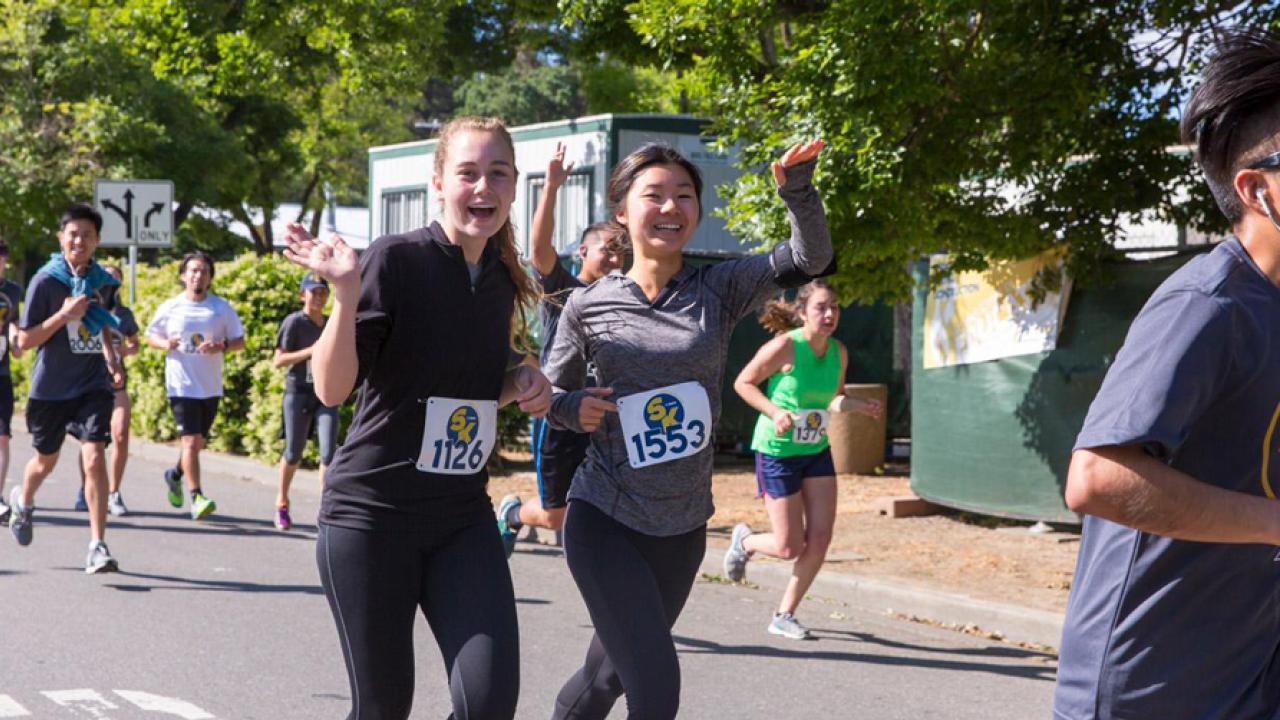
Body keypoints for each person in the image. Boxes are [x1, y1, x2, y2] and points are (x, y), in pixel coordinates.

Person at [543, 139, 833, 718]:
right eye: (655, 195)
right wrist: (573, 407)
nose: (671, 206)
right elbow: (550, 392)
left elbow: (810, 260)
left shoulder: (718, 289)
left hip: (681, 528)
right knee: (656, 689)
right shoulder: (588, 305)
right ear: (622, 210)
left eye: (684, 195)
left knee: (605, 680)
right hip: (604, 518)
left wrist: (797, 192)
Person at [283, 115, 552, 720]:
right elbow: (331, 389)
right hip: (372, 518)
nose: (483, 188)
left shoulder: (502, 279)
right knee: (383, 708)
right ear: (438, 183)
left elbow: (465, 387)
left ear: (514, 187)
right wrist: (347, 294)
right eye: (467, 174)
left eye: (497, 175)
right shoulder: (395, 260)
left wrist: (519, 380)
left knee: (486, 702)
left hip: (460, 516)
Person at [1054, 29, 1280, 719]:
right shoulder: (1207, 305)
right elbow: (1096, 478)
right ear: (1258, 190)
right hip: (1149, 693)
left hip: (1247, 680)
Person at [723, 280, 882, 640]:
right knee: (788, 546)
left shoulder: (838, 351)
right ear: (803, 313)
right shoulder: (785, 347)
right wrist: (775, 410)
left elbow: (833, 399)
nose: (830, 315)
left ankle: (784, 614)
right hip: (777, 452)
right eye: (821, 308)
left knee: (821, 538)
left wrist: (858, 406)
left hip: (815, 452)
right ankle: (745, 542)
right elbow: (743, 383)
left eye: (835, 308)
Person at [497, 142, 626, 555]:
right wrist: (552, 187)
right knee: (556, 516)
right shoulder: (563, 287)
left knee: (604, 506)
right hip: (559, 413)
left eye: (621, 252)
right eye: (608, 249)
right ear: (583, 251)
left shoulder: (626, 297)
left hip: (604, 416)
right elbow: (539, 250)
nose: (615, 259)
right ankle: (514, 513)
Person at [8, 203, 123, 574]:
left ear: (97, 241)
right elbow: (24, 342)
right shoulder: (46, 280)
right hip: (52, 387)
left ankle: (97, 545)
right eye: (73, 233)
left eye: (87, 235)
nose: (80, 240)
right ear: (61, 238)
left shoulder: (103, 281)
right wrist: (63, 315)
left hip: (92, 383)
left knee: (94, 457)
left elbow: (103, 323)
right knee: (45, 461)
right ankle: (23, 500)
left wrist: (111, 357)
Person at [144, 251, 245, 520]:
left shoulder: (221, 308)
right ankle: (197, 497)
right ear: (183, 275)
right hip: (181, 384)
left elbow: (240, 341)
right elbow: (150, 335)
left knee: (197, 443)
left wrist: (220, 346)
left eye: (203, 271)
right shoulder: (171, 306)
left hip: (210, 385)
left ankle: (174, 474)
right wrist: (165, 344)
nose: (197, 275)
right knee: (189, 441)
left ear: (210, 277)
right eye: (193, 270)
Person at [271, 271, 338, 530]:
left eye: (323, 292)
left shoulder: (332, 323)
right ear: (303, 295)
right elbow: (279, 360)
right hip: (298, 392)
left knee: (329, 454)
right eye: (314, 292)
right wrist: (312, 351)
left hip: (326, 393)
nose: (319, 297)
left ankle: (327, 511)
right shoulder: (294, 323)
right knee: (294, 452)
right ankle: (282, 502)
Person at [73, 264, 139, 517]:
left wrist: (124, 350)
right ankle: (85, 488)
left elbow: (134, 344)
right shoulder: (85, 307)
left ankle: (114, 492)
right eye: (106, 277)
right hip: (89, 382)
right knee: (89, 440)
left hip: (116, 382)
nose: (110, 282)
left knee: (120, 434)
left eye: (115, 279)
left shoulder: (123, 314)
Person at [0, 241, 22, 525]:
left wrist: (16, 338)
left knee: (3, 435)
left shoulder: (13, 291)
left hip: (1, 371)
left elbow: (14, 321)